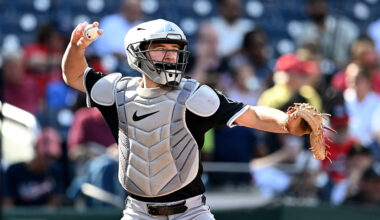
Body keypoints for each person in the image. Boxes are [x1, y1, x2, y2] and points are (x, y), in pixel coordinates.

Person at [62, 19, 319, 219]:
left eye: (175, 49)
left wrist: (286, 122)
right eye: (161, 48)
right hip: (137, 212)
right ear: (137, 53)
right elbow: (75, 76)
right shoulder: (118, 91)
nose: (171, 56)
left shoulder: (194, 95)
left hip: (191, 213)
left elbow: (250, 113)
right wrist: (77, 47)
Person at [3, 127, 65, 207]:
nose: (49, 161)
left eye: (52, 157)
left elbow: (55, 203)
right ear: (36, 149)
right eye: (46, 156)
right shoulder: (14, 170)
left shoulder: (56, 171)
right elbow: (8, 203)